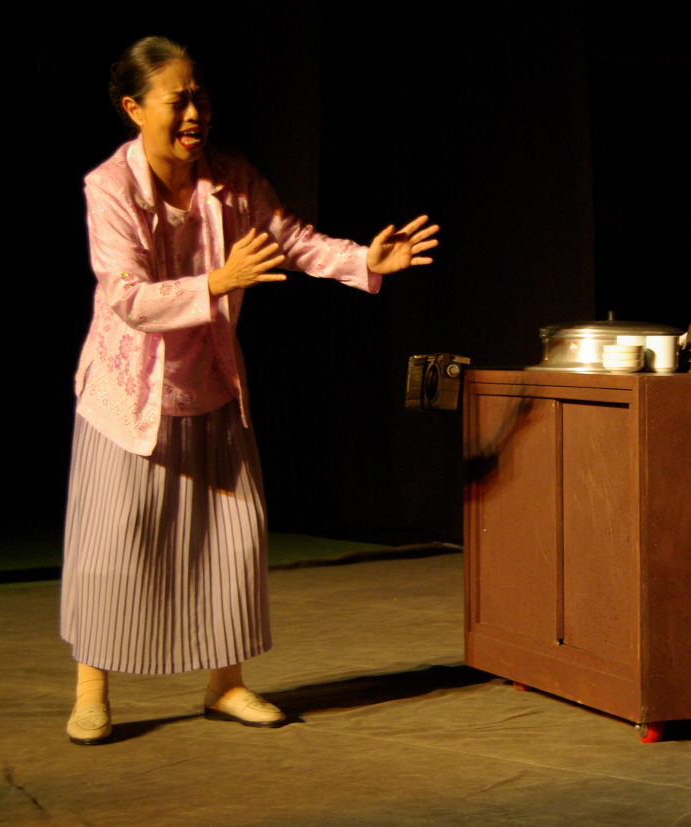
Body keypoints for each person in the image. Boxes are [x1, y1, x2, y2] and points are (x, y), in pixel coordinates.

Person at [61, 36, 439, 745]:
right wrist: (217, 282)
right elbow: (127, 298)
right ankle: (91, 691)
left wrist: (365, 259)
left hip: (208, 383)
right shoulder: (109, 188)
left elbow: (292, 240)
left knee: (231, 543)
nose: (195, 113)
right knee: (112, 547)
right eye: (178, 100)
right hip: (127, 394)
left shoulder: (231, 178)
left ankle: (225, 683)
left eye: (200, 96)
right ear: (134, 109)